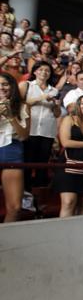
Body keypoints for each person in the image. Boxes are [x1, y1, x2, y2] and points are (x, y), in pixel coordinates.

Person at [21, 62, 61, 191]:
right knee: (28, 162)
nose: (44, 72)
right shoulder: (28, 86)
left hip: (47, 131)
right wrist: (42, 97)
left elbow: (57, 113)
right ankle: (26, 191)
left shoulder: (54, 90)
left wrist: (56, 105)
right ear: (35, 72)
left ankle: (39, 191)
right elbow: (22, 103)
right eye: (41, 69)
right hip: (30, 129)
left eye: (47, 70)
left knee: (42, 163)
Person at [0, 72, 30, 222]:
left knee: (15, 207)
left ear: (12, 87)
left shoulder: (23, 106)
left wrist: (11, 116)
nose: (2, 87)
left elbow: (24, 135)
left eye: (5, 84)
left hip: (12, 149)